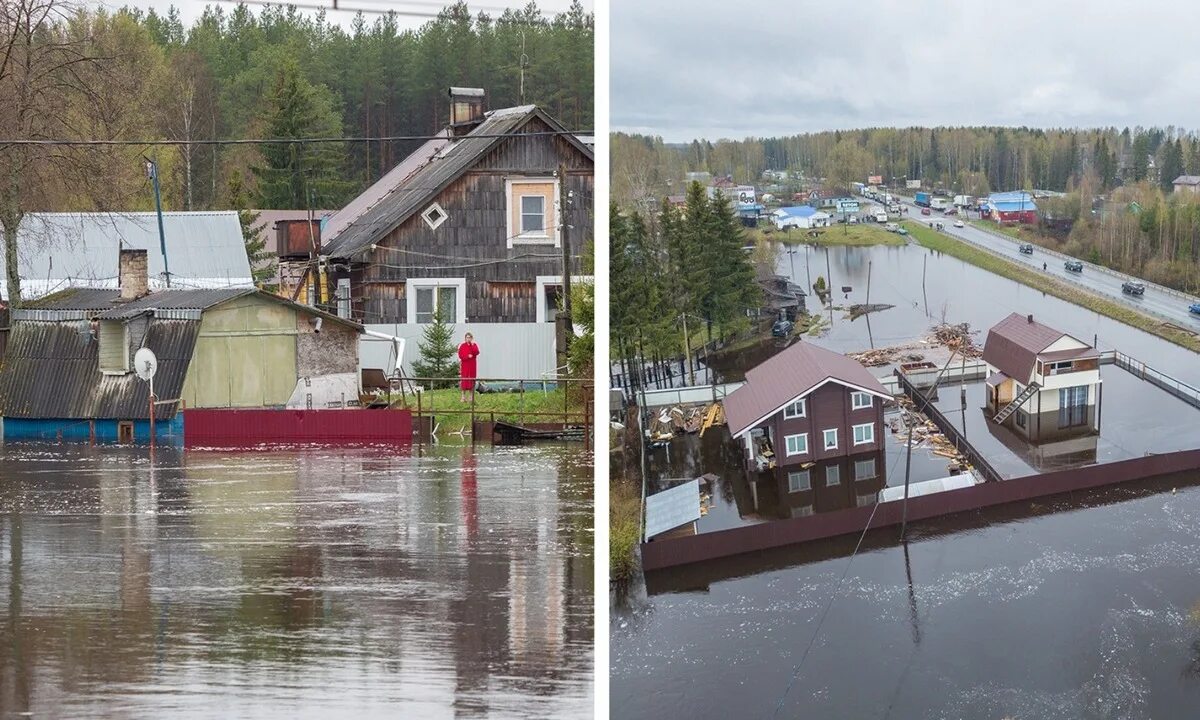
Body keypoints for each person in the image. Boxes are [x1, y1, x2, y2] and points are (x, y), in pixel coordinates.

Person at [458, 332, 480, 403]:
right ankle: (463, 397)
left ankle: (471, 397)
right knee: (464, 380)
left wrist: (473, 345)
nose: (468, 339)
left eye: (470, 337)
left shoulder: (474, 345)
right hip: (465, 366)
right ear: (465, 338)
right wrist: (467, 356)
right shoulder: (462, 346)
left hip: (472, 366)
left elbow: (476, 352)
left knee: (471, 381)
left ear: (471, 338)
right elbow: (460, 355)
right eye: (467, 337)